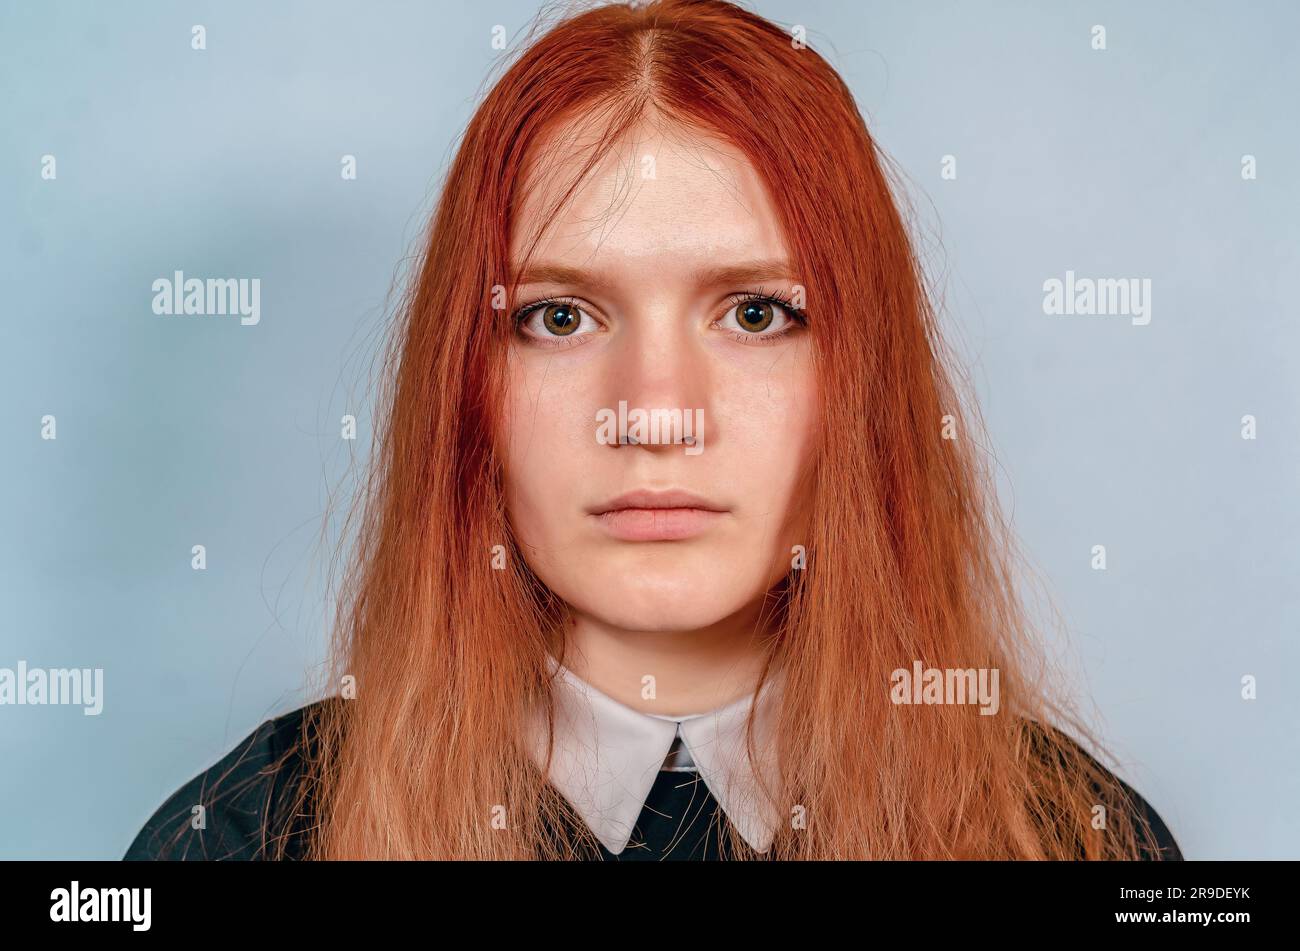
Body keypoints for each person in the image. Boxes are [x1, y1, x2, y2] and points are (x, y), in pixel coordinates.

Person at [125, 0, 1181, 861]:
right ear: (466, 390)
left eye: (757, 313)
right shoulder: (243, 839)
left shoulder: (1079, 842)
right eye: (559, 318)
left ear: (864, 385)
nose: (655, 412)